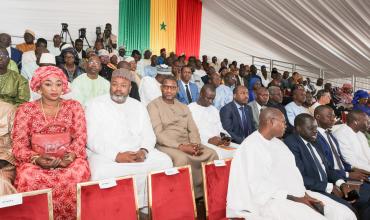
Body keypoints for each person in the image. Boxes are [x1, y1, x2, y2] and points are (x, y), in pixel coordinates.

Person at [226, 107, 356, 220]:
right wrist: (297, 199)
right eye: (283, 122)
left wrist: (305, 195)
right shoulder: (252, 146)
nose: (286, 125)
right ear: (271, 121)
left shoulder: (278, 144)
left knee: (343, 214)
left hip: (295, 194)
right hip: (270, 202)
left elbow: (293, 174)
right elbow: (259, 188)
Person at [85, 68, 172, 208]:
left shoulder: (138, 106)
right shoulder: (94, 104)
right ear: (110, 85)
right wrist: (116, 155)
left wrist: (144, 151)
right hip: (106, 154)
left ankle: (147, 205)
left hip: (137, 151)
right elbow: (91, 138)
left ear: (130, 88)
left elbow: (148, 134)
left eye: (123, 86)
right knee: (102, 172)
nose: (118, 89)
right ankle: (112, 210)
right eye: (115, 84)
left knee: (165, 162)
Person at [12, 66, 90, 220]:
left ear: (64, 86)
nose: (54, 88)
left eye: (59, 84)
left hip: (68, 158)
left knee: (78, 172)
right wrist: (37, 159)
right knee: (28, 176)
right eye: (48, 84)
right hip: (35, 160)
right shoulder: (26, 110)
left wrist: (69, 157)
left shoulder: (74, 106)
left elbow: (81, 138)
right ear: (39, 87)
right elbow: (19, 145)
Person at [285, 113, 368, 219]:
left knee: (363, 199)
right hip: (313, 189)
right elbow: (301, 177)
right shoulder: (291, 144)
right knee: (351, 211)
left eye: (315, 127)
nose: (315, 131)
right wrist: (329, 187)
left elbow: (328, 169)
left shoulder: (314, 140)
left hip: (329, 184)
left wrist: (341, 184)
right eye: (311, 128)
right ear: (298, 128)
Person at [147, 76, 218, 198]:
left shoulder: (183, 106)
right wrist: (181, 147)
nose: (169, 91)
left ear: (177, 89)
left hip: (187, 142)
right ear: (161, 88)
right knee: (181, 159)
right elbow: (158, 133)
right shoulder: (153, 105)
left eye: (173, 88)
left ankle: (206, 194)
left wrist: (195, 144)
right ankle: (182, 197)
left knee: (212, 153)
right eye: (166, 87)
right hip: (166, 144)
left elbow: (193, 128)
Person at [315, 105, 370, 206]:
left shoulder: (330, 135)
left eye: (334, 116)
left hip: (346, 172)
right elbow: (328, 167)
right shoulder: (320, 138)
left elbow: (341, 160)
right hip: (338, 176)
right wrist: (347, 174)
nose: (334, 119)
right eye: (329, 116)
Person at [189, 84, 237, 159]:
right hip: (203, 142)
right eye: (208, 98)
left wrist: (226, 138)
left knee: (239, 149)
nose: (211, 102)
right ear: (201, 94)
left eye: (213, 99)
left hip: (219, 142)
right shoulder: (190, 109)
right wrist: (208, 140)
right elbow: (191, 132)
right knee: (220, 154)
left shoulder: (214, 110)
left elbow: (220, 128)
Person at [0, 100, 17, 195]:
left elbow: (18, 144)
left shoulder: (9, 110)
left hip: (4, 164)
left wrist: (4, 160)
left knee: (1, 184)